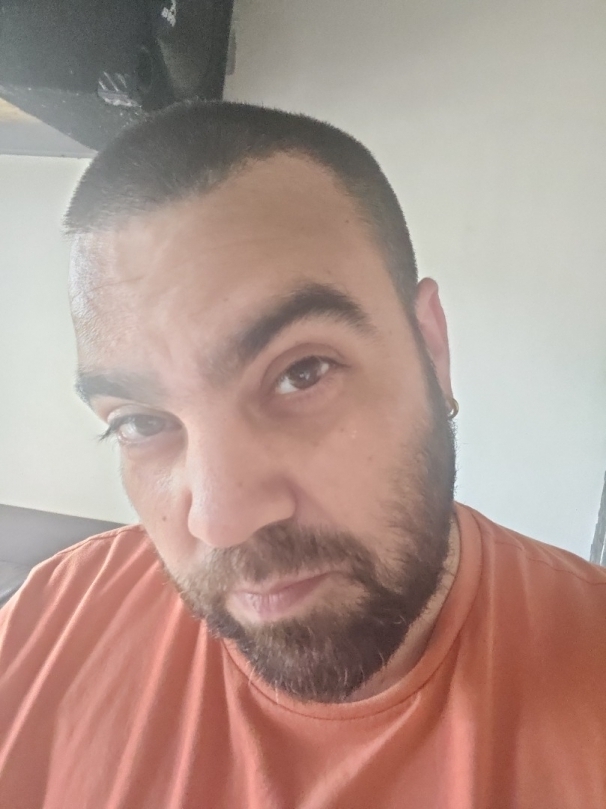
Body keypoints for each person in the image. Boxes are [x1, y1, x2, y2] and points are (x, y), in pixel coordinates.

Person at [0, 101, 605, 809]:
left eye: (302, 372)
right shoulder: (51, 619)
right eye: (141, 421)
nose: (221, 520)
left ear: (432, 351)